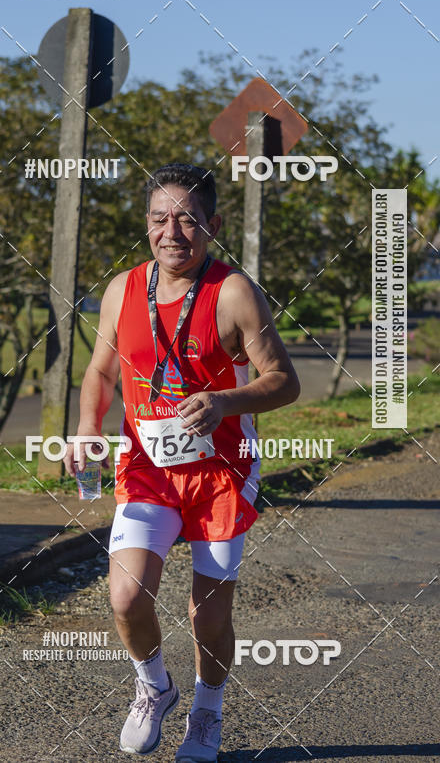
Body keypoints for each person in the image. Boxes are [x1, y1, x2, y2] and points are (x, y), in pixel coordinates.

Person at [64, 163, 300, 762]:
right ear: (147, 224)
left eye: (188, 219)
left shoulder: (235, 292)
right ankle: (154, 688)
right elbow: (99, 370)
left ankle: (207, 711)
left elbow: (284, 381)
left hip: (222, 474)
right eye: (160, 217)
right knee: (125, 597)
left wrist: (224, 401)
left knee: (208, 612)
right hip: (147, 466)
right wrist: (89, 428)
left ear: (212, 225)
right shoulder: (122, 289)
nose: (173, 231)